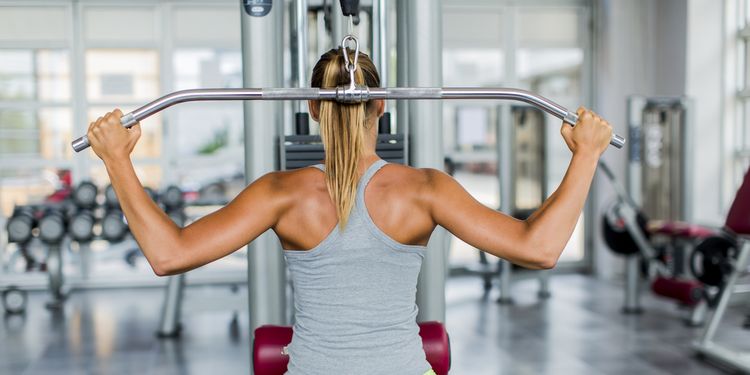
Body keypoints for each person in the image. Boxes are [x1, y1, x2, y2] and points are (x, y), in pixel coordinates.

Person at [86, 48, 612, 375]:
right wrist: (585, 155)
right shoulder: (425, 189)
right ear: (382, 105)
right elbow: (540, 250)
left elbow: (167, 254)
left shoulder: (279, 193)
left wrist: (117, 161)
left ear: (312, 106)